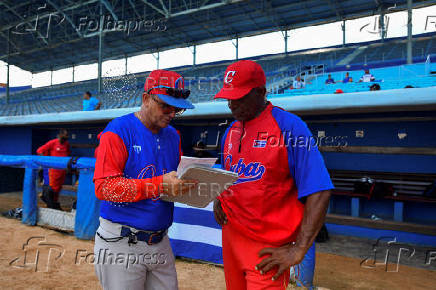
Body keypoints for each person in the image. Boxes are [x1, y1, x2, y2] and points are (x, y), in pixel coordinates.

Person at [213, 60, 334, 289]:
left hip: (267, 247)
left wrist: (298, 249)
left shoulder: (289, 127)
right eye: (228, 97)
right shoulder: (231, 130)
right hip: (231, 237)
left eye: (238, 97)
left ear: (261, 91)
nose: (231, 105)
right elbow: (231, 176)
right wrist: (220, 198)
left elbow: (319, 190)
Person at [93, 69, 198, 290]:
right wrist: (159, 184)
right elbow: (105, 188)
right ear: (146, 99)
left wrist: (186, 186)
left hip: (160, 241)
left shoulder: (173, 135)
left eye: (176, 109)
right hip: (121, 241)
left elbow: (167, 185)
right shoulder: (119, 130)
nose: (171, 113)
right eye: (165, 106)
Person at [36, 129, 71, 209]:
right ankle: (49, 204)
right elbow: (39, 150)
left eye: (66, 137)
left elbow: (68, 155)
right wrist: (46, 161)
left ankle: (53, 204)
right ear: (59, 136)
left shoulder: (66, 144)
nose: (64, 139)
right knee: (50, 188)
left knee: (57, 189)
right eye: (63, 137)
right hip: (52, 170)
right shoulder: (53, 142)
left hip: (62, 170)